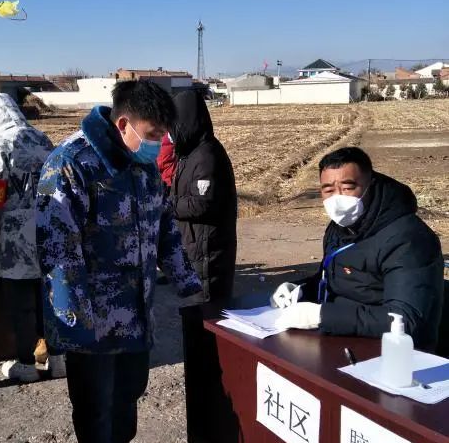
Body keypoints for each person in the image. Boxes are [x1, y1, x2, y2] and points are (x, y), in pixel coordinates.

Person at [37, 80, 201, 443]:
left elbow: (165, 229)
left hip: (136, 310)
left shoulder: (142, 167)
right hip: (91, 317)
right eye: (152, 135)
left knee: (130, 388)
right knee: (94, 402)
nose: (159, 144)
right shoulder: (71, 164)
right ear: (123, 122)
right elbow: (58, 250)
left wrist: (188, 282)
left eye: (164, 136)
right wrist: (74, 319)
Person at [271, 146, 444, 350]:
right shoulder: (339, 228)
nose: (337, 199)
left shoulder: (408, 239)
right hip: (341, 337)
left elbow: (405, 319)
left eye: (348, 187)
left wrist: (321, 316)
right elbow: (339, 278)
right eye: (328, 190)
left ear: (371, 184)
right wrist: (302, 290)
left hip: (396, 352)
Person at [0, 92, 64, 382]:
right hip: (47, 234)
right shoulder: (42, 139)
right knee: (49, 301)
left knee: (22, 306)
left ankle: (28, 364)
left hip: (14, 243)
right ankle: (58, 359)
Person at [169, 88, 238, 305]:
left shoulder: (207, 155)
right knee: (192, 309)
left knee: (207, 309)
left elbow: (201, 204)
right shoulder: (188, 153)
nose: (170, 132)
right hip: (193, 245)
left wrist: (167, 205)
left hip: (208, 250)